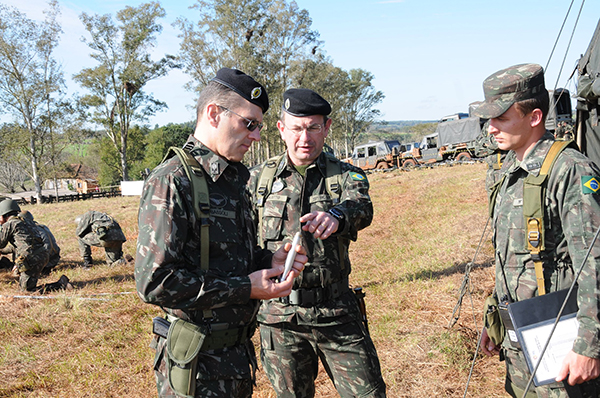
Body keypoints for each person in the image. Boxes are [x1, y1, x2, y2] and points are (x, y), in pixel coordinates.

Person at [134, 68, 307, 398]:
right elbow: (155, 283)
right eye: (249, 123)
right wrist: (246, 288)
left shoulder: (232, 181)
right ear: (214, 113)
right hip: (196, 368)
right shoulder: (173, 180)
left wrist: (269, 260)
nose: (256, 136)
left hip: (235, 358)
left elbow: (228, 258)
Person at [248, 88, 386, 397]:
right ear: (282, 129)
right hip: (279, 320)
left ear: (327, 127)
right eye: (296, 128)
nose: (305, 138)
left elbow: (362, 207)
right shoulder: (256, 180)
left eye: (313, 127)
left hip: (337, 313)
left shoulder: (346, 175)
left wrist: (337, 216)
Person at [475, 63, 600, 397]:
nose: (491, 129)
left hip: (563, 345)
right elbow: (511, 259)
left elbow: (595, 263)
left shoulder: (569, 170)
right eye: (489, 119)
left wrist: (590, 346)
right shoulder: (508, 171)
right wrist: (496, 316)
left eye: (501, 118)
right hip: (522, 340)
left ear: (534, 117)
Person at [0, 199, 49, 291]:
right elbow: (23, 243)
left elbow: (1, 243)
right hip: (43, 254)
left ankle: (61, 284)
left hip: (31, 259)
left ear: (4, 215)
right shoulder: (26, 221)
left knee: (26, 291)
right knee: (27, 285)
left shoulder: (10, 224)